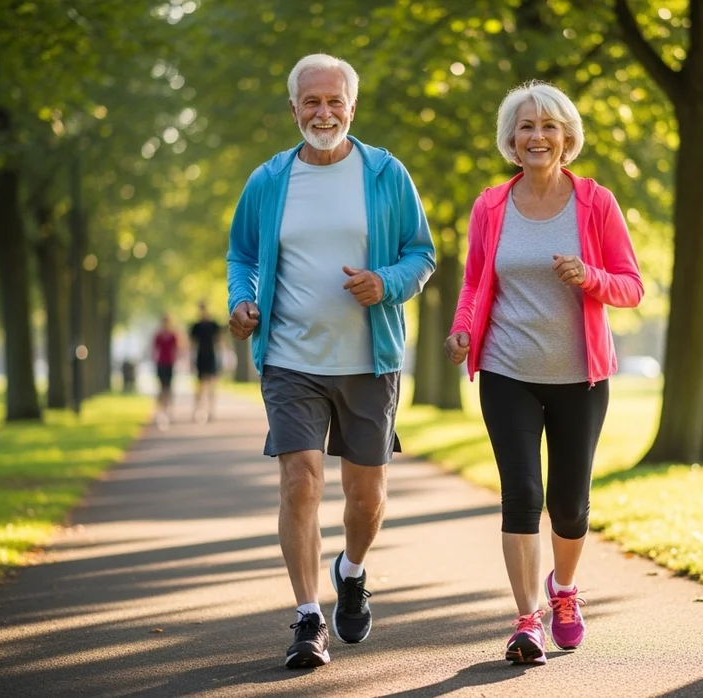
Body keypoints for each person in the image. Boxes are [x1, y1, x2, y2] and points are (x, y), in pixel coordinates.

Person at [225, 53, 435, 669]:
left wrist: (385, 283)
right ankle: (307, 616)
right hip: (290, 358)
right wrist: (242, 300)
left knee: (365, 497)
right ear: (293, 108)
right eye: (311, 102)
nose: (323, 113)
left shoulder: (386, 173)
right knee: (301, 482)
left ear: (352, 106)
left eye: (334, 101)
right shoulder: (269, 180)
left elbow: (421, 254)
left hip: (370, 358)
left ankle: (352, 569)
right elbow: (243, 256)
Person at [445, 81, 643, 666]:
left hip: (580, 376)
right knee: (523, 494)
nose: (537, 136)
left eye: (549, 126)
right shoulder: (490, 206)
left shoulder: (596, 203)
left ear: (566, 137)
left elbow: (631, 287)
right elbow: (475, 281)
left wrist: (590, 277)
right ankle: (527, 619)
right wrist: (462, 330)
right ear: (511, 140)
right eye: (526, 127)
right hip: (507, 369)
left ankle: (565, 590)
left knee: (570, 504)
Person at [189, 302, 224, 423]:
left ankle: (211, 411)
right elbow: (192, 344)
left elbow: (219, 341)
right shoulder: (196, 326)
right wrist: (191, 361)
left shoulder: (214, 325)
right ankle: (197, 411)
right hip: (201, 357)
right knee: (200, 386)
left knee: (211, 386)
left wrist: (222, 358)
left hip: (211, 356)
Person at [151, 313, 179, 429]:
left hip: (170, 364)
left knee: (169, 388)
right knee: (161, 388)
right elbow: (154, 350)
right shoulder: (158, 335)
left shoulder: (173, 336)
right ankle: (160, 411)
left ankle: (169, 411)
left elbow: (176, 349)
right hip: (160, 364)